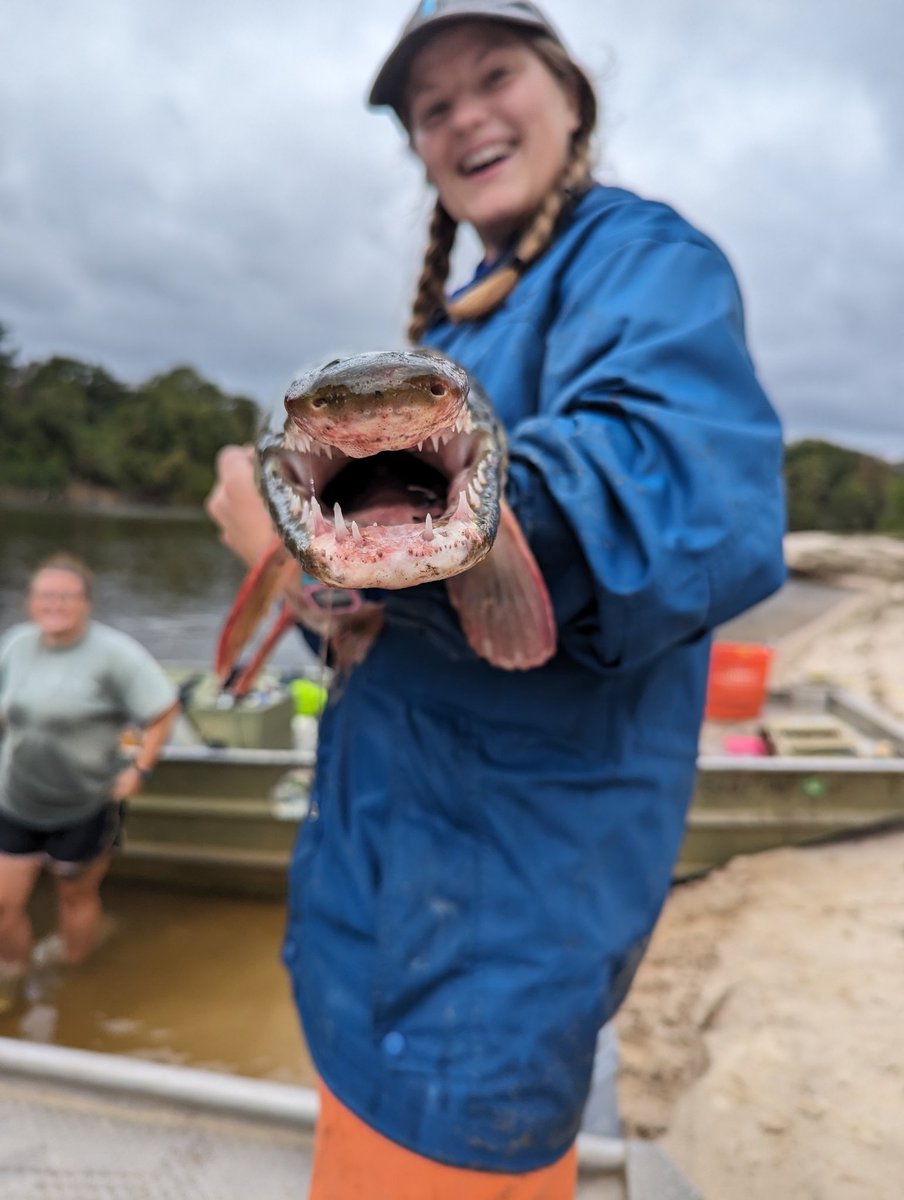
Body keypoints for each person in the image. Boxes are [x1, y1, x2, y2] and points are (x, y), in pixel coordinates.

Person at [206, 1, 786, 1193]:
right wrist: (334, 588)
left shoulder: (646, 263)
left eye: (494, 75)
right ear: (418, 145)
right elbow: (397, 616)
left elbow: (674, 493)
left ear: (571, 91)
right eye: (431, 106)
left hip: (489, 980)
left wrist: (375, 513)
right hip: (365, 938)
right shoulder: (454, 322)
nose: (465, 115)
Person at [0, 553, 179, 1012]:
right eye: (44, 595)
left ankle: (75, 982)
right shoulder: (17, 644)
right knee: (4, 904)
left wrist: (140, 768)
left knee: (74, 894)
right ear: (30, 601)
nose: (53, 604)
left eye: (65, 595)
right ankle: (13, 979)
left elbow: (162, 710)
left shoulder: (113, 655)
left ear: (86, 603)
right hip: (16, 797)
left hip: (85, 802)